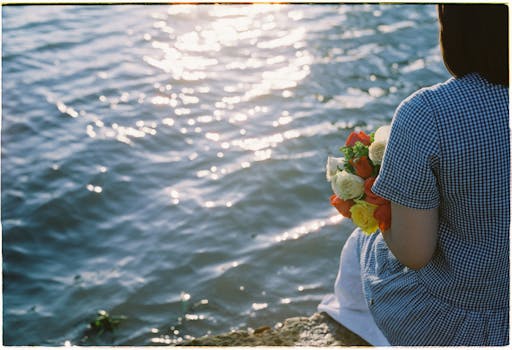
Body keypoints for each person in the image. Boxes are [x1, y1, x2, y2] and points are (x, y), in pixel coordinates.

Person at [318, 4, 509, 346]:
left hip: (459, 321)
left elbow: (414, 254)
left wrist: (375, 202)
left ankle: (352, 325)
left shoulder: (428, 113)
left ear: (453, 31)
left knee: (363, 241)